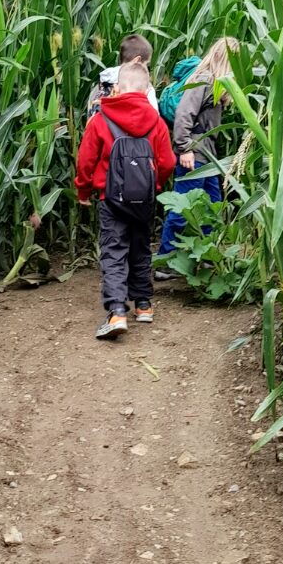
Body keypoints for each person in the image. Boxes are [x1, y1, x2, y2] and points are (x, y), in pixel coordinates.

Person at [76, 61, 175, 340]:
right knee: (141, 249)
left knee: (114, 252)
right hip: (143, 199)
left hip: (111, 199)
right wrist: (153, 185)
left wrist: (83, 191)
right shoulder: (156, 122)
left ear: (117, 88)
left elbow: (85, 160)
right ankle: (143, 306)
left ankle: (117, 311)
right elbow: (167, 162)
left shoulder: (100, 119)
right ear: (146, 92)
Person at [156, 37, 239, 268]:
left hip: (207, 156)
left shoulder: (216, 84)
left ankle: (206, 256)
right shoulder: (204, 80)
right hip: (193, 154)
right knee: (182, 208)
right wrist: (184, 148)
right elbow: (184, 113)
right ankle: (165, 261)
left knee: (213, 204)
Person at [87, 32, 158, 117]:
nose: (147, 69)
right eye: (146, 64)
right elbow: (154, 119)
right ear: (137, 61)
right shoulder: (145, 88)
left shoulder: (101, 84)